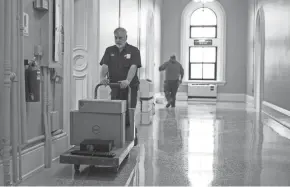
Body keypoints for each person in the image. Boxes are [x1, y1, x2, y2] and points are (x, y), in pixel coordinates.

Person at [99, 27, 142, 146]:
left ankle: (132, 133)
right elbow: (105, 65)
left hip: (130, 87)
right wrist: (102, 78)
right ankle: (118, 135)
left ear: (126, 38)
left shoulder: (134, 50)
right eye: (116, 38)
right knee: (116, 110)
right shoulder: (109, 50)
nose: (118, 40)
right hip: (115, 86)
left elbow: (133, 67)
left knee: (129, 110)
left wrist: (128, 80)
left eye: (120, 38)